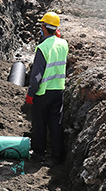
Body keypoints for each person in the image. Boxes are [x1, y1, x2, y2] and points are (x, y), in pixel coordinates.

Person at [25, 11, 69, 167]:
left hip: (42, 93)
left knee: (40, 124)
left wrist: (30, 94)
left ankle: (39, 154)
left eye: (42, 25)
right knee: (55, 124)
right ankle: (57, 156)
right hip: (58, 90)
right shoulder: (64, 44)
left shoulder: (42, 48)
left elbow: (36, 76)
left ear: (44, 27)